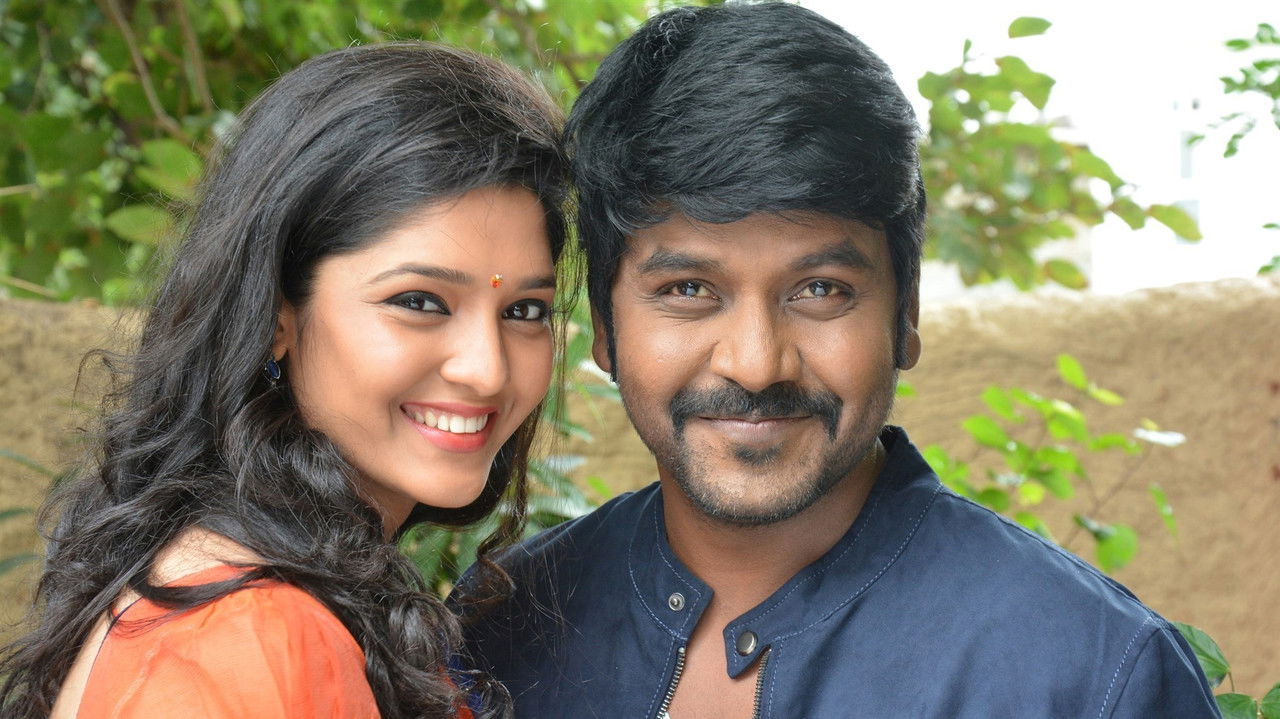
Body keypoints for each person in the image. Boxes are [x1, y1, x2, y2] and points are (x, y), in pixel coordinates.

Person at [452, 4, 1221, 718]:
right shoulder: (500, 626)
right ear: (606, 328)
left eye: (820, 289)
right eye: (689, 289)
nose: (757, 365)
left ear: (906, 312)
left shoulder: (1094, 676)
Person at [0, 42, 569, 719]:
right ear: (275, 318)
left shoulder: (281, 595)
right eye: (419, 301)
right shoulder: (245, 636)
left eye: (524, 311)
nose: (486, 369)